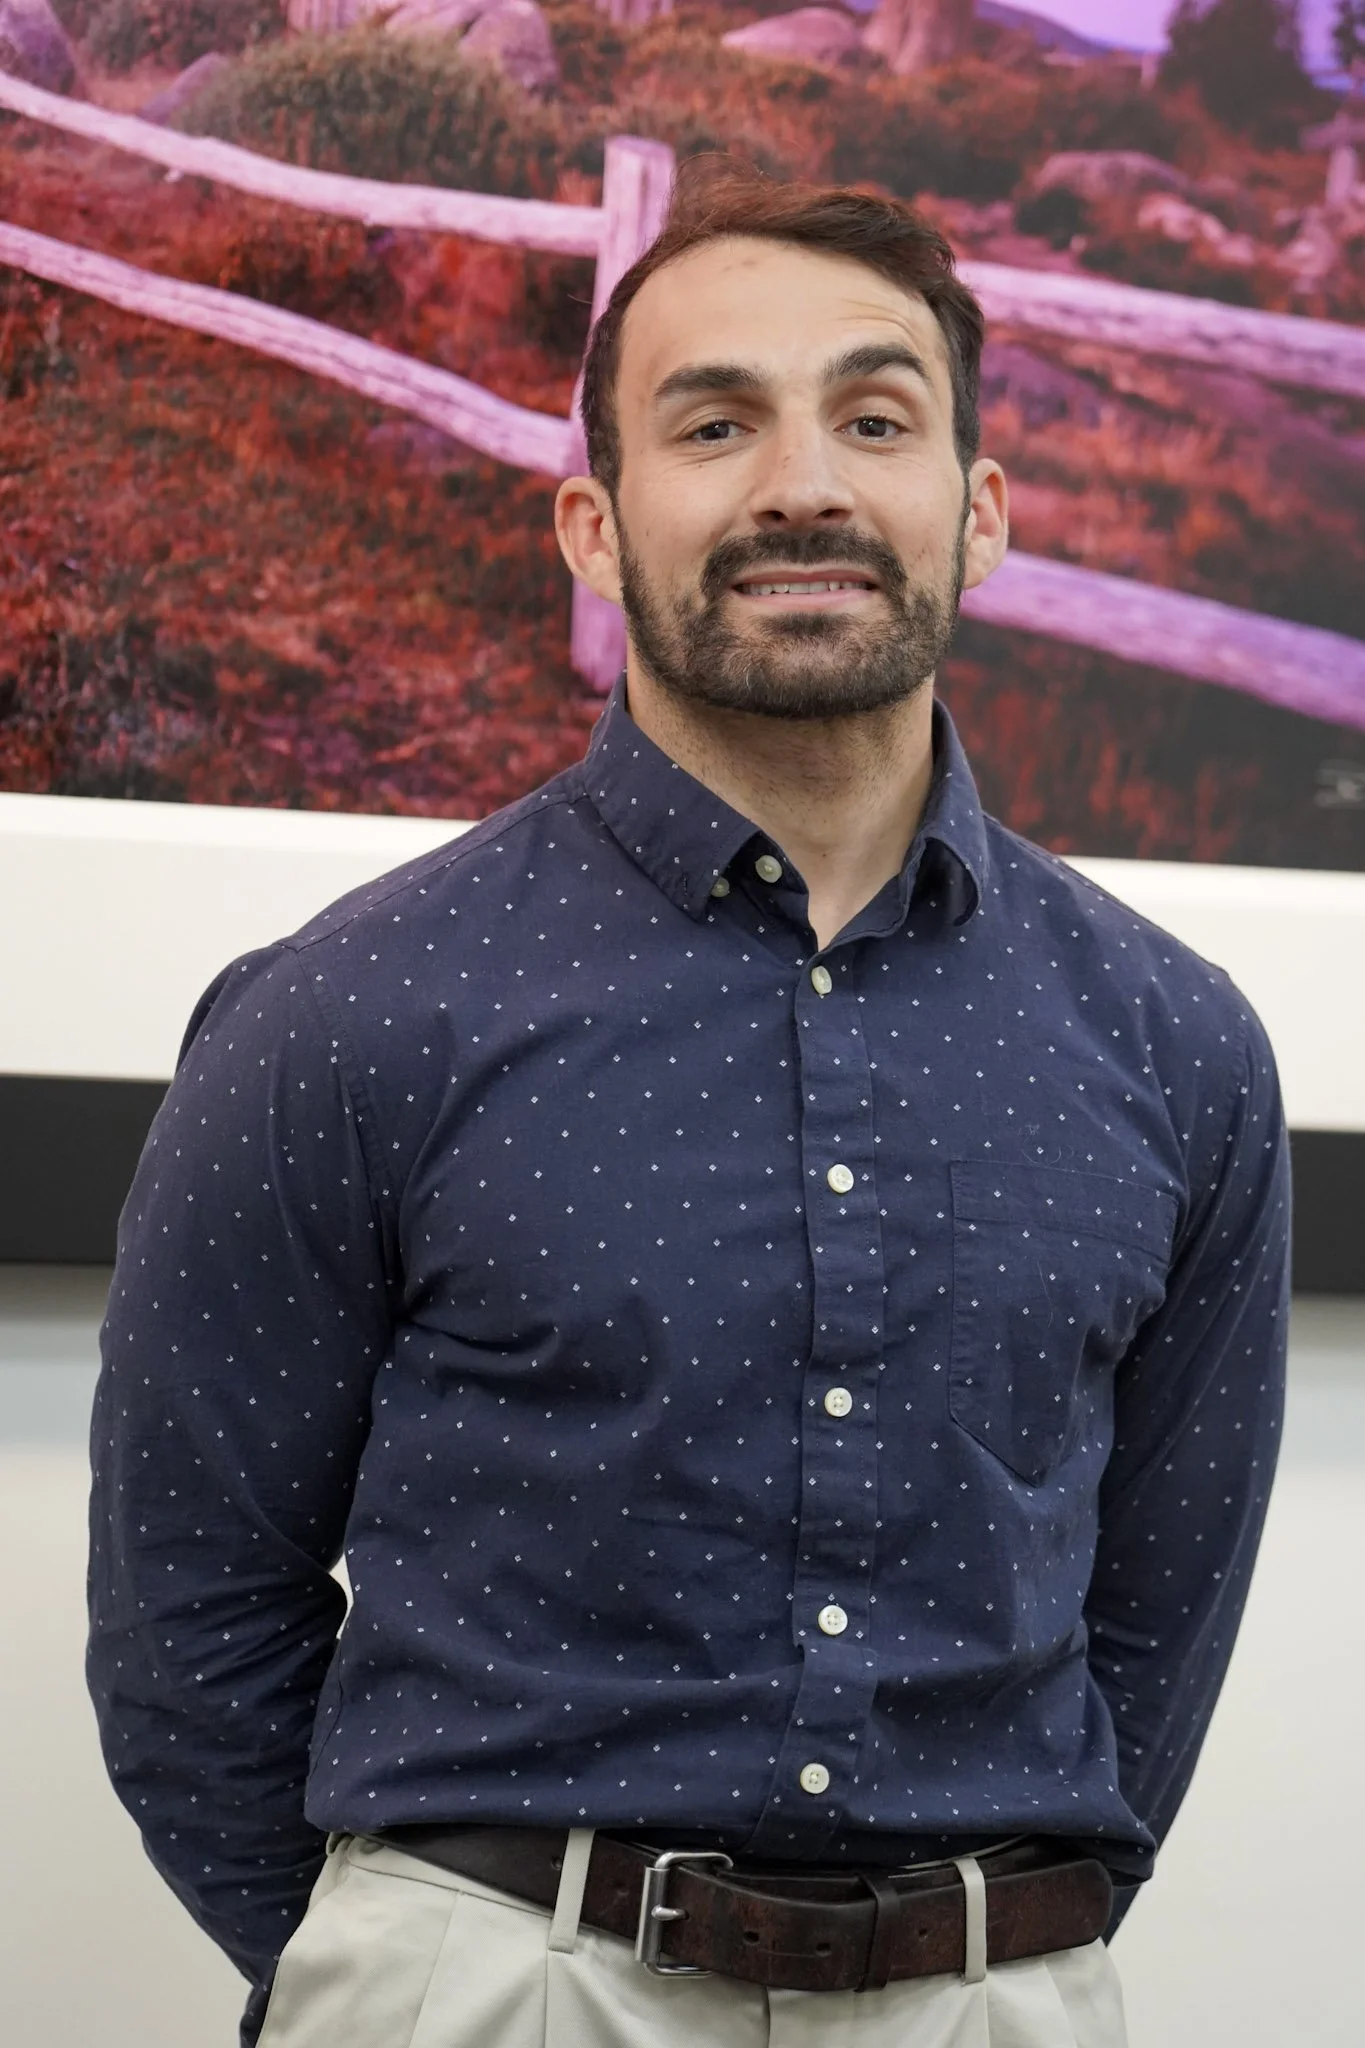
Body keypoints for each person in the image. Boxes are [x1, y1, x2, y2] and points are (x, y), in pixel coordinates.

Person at [87, 159, 1290, 2048]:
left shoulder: (1179, 1048)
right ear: (593, 521)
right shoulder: (343, 1014)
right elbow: (189, 1627)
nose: (802, 482)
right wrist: (411, 1980)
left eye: (875, 419)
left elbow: (1164, 1617)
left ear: (976, 515)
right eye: (713, 422)